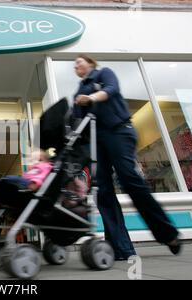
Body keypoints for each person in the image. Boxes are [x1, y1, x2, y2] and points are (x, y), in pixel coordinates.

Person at [72, 54, 182, 259]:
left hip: (119, 132)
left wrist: (92, 97)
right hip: (97, 141)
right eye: (74, 64)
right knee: (102, 190)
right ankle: (120, 248)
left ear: (90, 63)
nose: (76, 64)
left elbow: (111, 90)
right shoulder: (79, 90)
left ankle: (168, 234)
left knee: (129, 180)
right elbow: (77, 117)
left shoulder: (104, 73)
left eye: (80, 61)